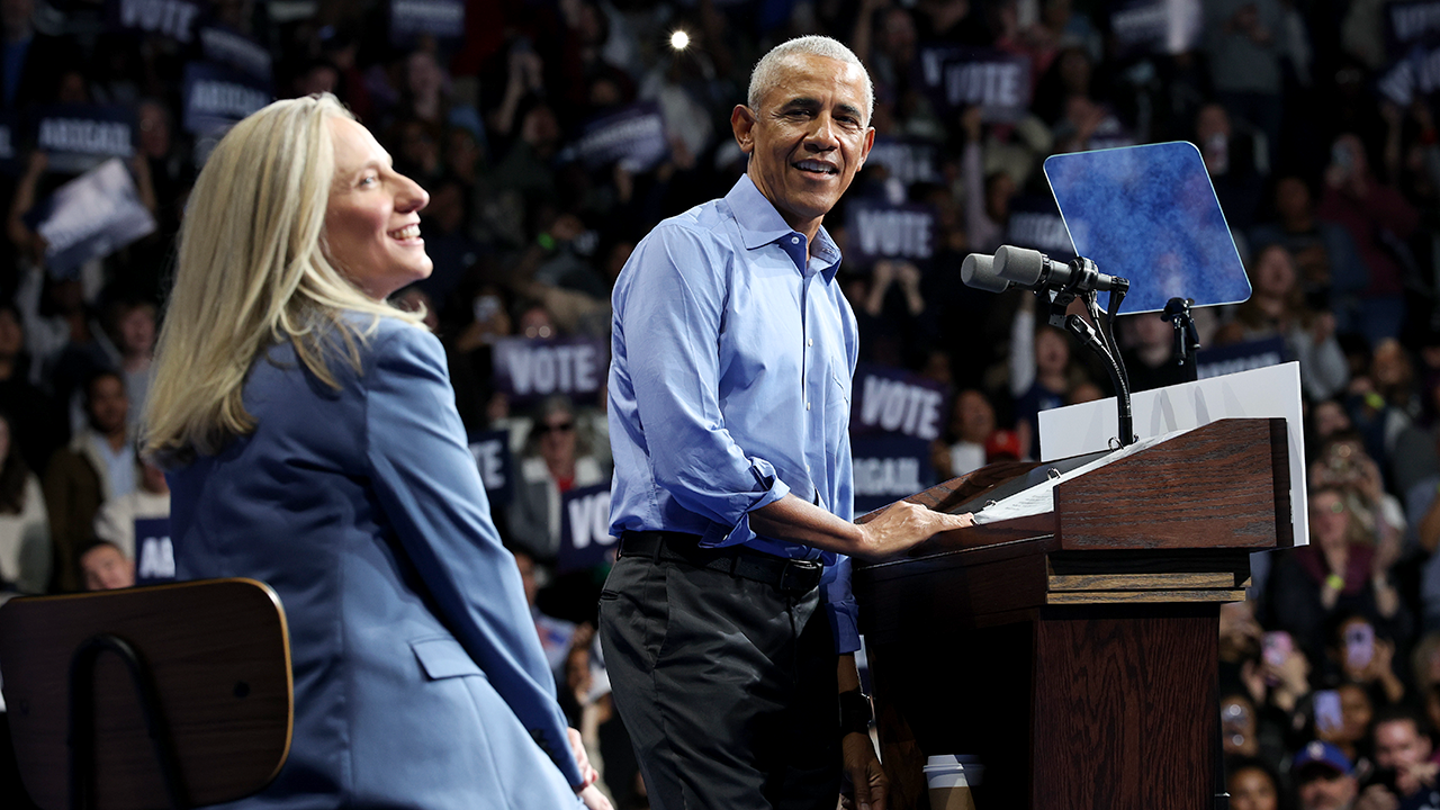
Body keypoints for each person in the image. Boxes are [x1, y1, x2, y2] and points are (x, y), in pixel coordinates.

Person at [142, 94, 609, 810]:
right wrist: (560, 750)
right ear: (294, 225)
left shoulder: (198, 392)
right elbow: (476, 576)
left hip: (246, 779)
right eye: (368, 180)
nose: (415, 191)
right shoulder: (377, 353)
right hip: (405, 761)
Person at [599, 35, 973, 810]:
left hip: (800, 622)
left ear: (866, 147)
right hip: (689, 600)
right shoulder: (684, 251)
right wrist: (862, 536)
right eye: (798, 111)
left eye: (844, 120)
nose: (822, 136)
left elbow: (829, 502)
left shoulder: (835, 306)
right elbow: (693, 460)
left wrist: (848, 709)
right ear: (745, 127)